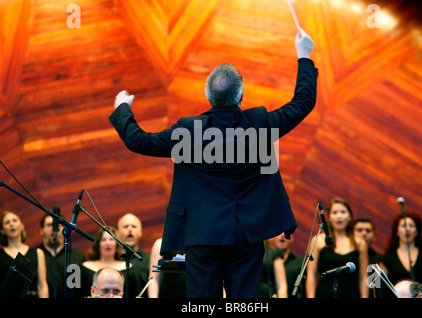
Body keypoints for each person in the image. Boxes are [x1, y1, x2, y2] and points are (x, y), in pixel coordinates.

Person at [109, 26, 317, 298]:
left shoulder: (188, 131)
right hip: (247, 235)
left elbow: (138, 141)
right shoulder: (260, 124)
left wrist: (122, 107)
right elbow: (303, 102)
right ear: (241, 97)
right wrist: (304, 55)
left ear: (208, 97)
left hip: (202, 235)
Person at [305, 198, 369, 298]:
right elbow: (311, 275)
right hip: (324, 294)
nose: (339, 216)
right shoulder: (318, 240)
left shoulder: (360, 243)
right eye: (335, 212)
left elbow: (363, 277)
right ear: (329, 217)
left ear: (350, 217)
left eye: (343, 212)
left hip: (352, 294)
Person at [379, 210, 422, 297]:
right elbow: (381, 288)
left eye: (411, 226)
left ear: (417, 231)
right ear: (397, 231)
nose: (408, 229)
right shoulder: (386, 258)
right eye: (404, 226)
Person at [0, 211, 49, 298]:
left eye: (14, 220)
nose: (11, 224)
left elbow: (42, 286)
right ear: (2, 230)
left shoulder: (38, 253)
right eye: (7, 222)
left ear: (22, 226)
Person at [37, 212, 86, 298]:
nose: (54, 228)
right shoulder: (34, 255)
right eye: (49, 225)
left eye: (58, 225)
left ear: (64, 229)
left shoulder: (78, 257)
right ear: (41, 230)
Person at [81, 228, 141, 298]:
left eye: (111, 239)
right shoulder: (84, 267)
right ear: (98, 244)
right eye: (103, 240)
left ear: (117, 244)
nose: (108, 243)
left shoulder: (128, 268)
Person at [117, 213, 151, 294]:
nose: (130, 229)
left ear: (140, 232)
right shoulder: (112, 259)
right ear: (118, 232)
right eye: (125, 226)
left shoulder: (149, 259)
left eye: (134, 226)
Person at [266, 233, 304, 297]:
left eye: (286, 231)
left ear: (292, 237)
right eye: (279, 232)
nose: (282, 235)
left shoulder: (301, 262)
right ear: (270, 238)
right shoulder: (262, 262)